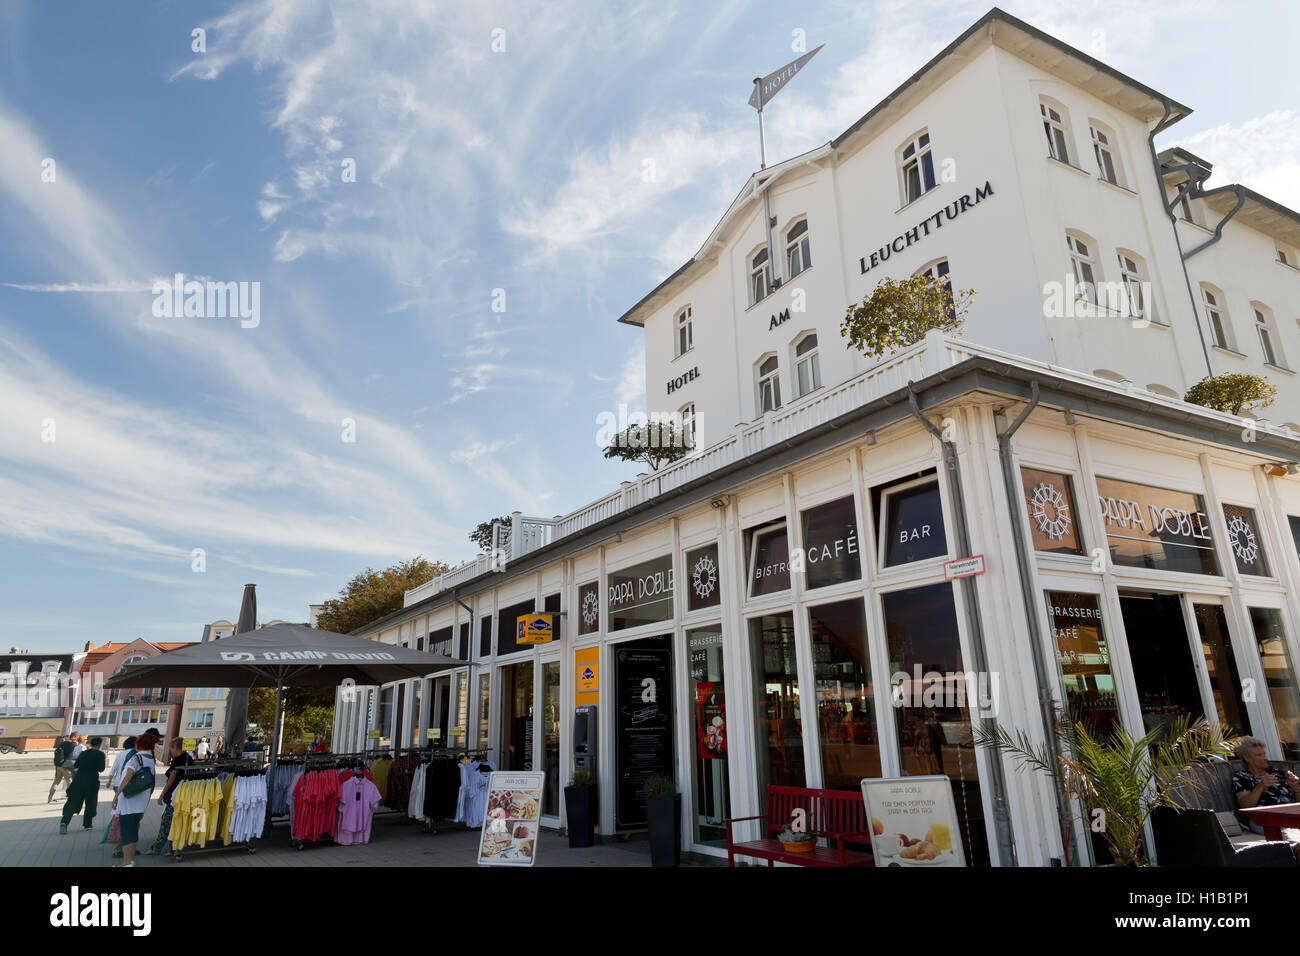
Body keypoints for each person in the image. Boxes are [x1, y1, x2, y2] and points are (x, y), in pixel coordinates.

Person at [111, 731, 159, 868]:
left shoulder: (136, 758)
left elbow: (126, 779)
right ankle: (129, 860)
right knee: (133, 829)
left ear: (139, 744)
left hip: (129, 800)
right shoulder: (150, 759)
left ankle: (127, 862)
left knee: (127, 830)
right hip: (141, 800)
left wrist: (116, 796)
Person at [142, 737, 192, 857]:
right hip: (184, 794)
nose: (170, 750)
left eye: (171, 747)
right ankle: (172, 848)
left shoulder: (178, 760)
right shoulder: (188, 758)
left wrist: (161, 795)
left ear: (175, 747)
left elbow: (171, 778)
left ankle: (157, 848)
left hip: (174, 794)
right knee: (175, 822)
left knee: (166, 821)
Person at [59, 736, 106, 833]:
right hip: (92, 781)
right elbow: (101, 769)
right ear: (99, 744)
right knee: (90, 803)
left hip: (79, 780)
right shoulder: (100, 754)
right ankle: (87, 824)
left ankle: (64, 822)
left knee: (73, 802)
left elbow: (76, 765)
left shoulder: (83, 753)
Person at [107, 736, 138, 858]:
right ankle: (121, 847)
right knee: (127, 818)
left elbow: (114, 768)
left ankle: (119, 845)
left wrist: (109, 780)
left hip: (117, 785)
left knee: (119, 815)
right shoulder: (133, 754)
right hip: (126, 787)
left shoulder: (120, 754)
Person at [48, 734, 75, 802]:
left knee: (56, 782)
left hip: (58, 765)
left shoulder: (61, 744)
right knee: (69, 782)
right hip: (65, 766)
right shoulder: (72, 744)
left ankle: (50, 798)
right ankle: (71, 797)